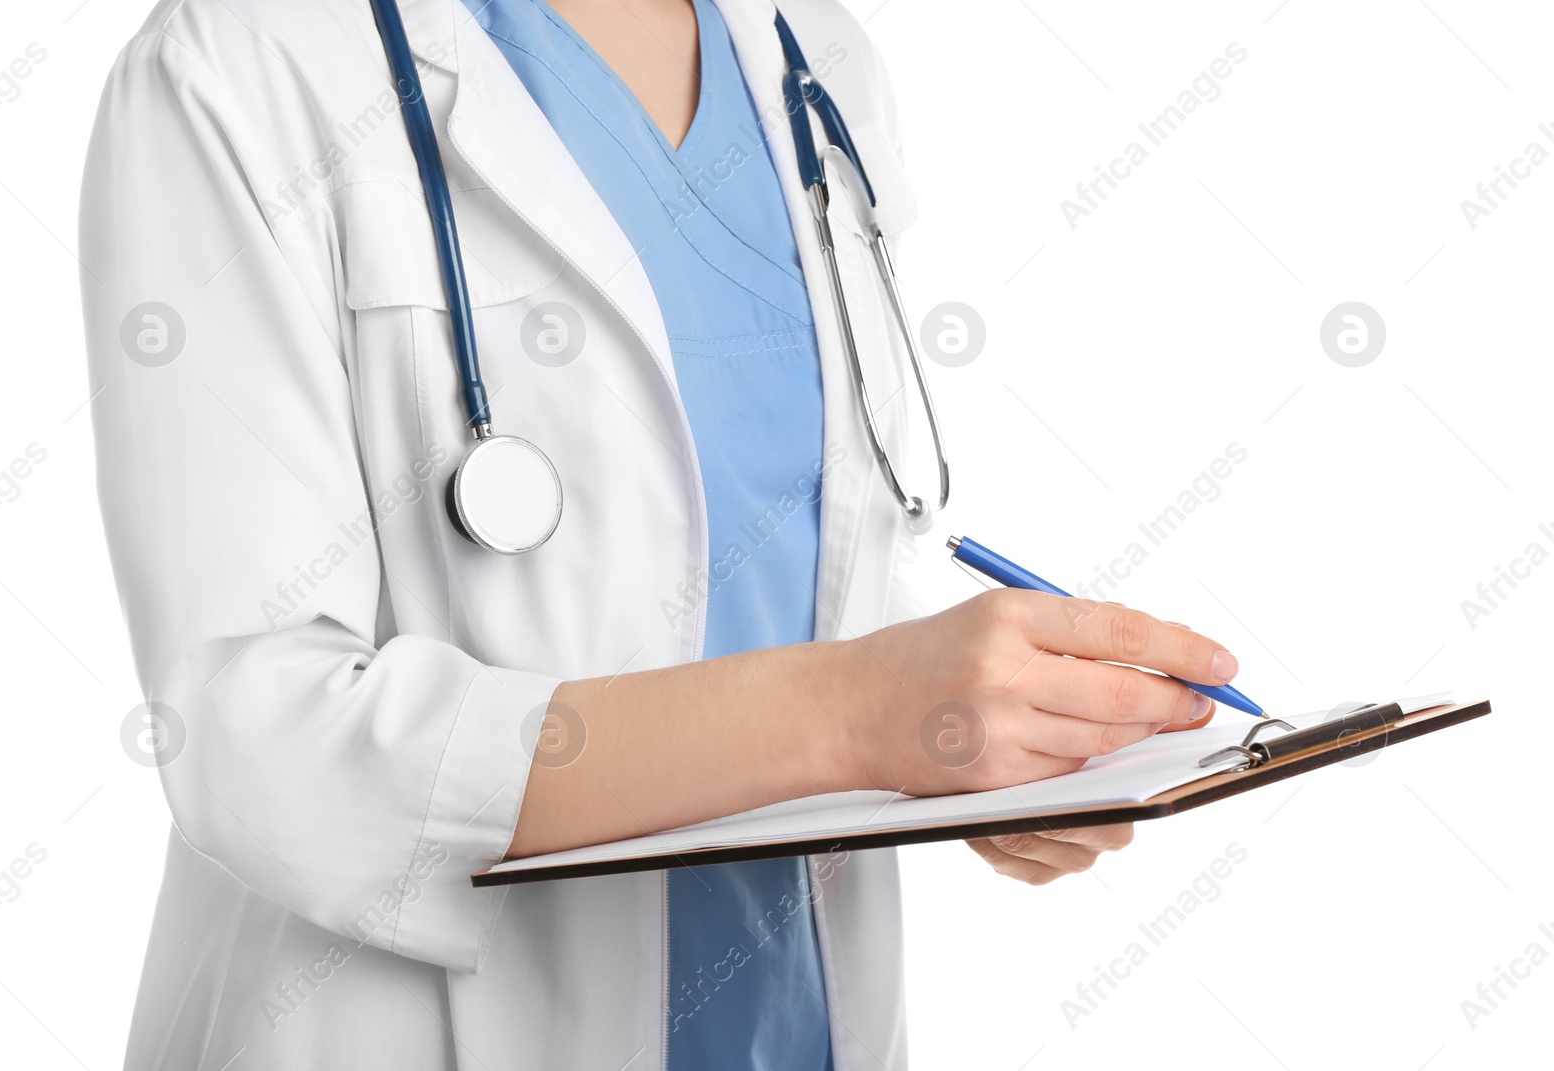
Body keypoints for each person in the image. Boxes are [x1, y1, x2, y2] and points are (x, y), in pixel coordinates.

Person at [79, 0, 1237, 1067]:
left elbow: (795, 576)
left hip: (794, 1017)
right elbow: (251, 739)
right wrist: (853, 716)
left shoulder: (812, 60)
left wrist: (978, 745)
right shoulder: (238, 65)